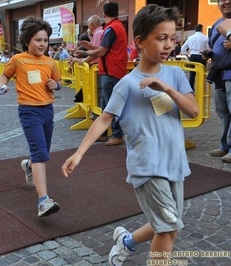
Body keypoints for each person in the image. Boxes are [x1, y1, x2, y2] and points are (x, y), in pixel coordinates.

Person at [62, 4, 199, 265]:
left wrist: (167, 88)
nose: (169, 44)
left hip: (175, 163)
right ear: (140, 42)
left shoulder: (176, 75)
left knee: (172, 225)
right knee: (168, 226)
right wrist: (79, 153)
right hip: (147, 167)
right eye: (161, 38)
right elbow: (104, 119)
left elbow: (193, 111)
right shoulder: (126, 84)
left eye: (172, 38)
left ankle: (126, 242)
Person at [0, 16, 62, 217]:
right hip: (28, 111)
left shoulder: (51, 62)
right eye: (38, 40)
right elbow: (5, 75)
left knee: (43, 151)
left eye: (45, 40)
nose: (42, 44)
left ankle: (28, 165)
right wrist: (1, 86)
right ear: (27, 41)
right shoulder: (18, 60)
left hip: (47, 110)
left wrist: (55, 85)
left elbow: (59, 82)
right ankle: (43, 201)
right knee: (40, 152)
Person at [73, 2, 128, 145]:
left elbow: (102, 51)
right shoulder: (117, 27)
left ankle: (117, 134)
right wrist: (89, 49)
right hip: (112, 70)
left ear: (104, 14)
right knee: (105, 106)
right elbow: (104, 49)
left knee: (110, 105)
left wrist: (84, 53)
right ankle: (104, 133)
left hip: (111, 71)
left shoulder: (111, 29)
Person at [204, 0, 231, 163]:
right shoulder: (216, 24)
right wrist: (209, 54)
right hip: (219, 74)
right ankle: (225, 146)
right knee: (223, 114)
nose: (227, 2)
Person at [180, 24, 210, 90]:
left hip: (193, 56)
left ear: (195, 29)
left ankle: (191, 89)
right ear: (202, 29)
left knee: (192, 74)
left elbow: (183, 48)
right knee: (202, 73)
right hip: (201, 56)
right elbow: (208, 48)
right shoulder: (205, 38)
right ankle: (201, 89)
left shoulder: (190, 38)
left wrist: (187, 56)